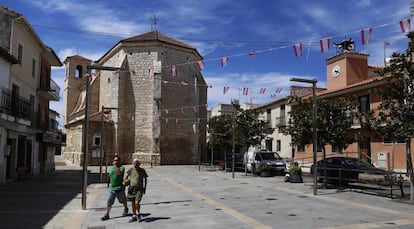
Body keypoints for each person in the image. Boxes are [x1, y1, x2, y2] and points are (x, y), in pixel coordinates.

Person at [101, 155, 129, 221]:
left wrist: (116, 166)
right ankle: (107, 214)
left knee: (123, 200)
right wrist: (108, 183)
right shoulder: (111, 168)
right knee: (109, 202)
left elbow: (119, 173)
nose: (115, 162)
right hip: (112, 189)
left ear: (119, 161)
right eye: (114, 160)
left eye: (116, 160)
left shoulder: (122, 168)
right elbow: (109, 176)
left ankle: (126, 208)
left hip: (119, 189)